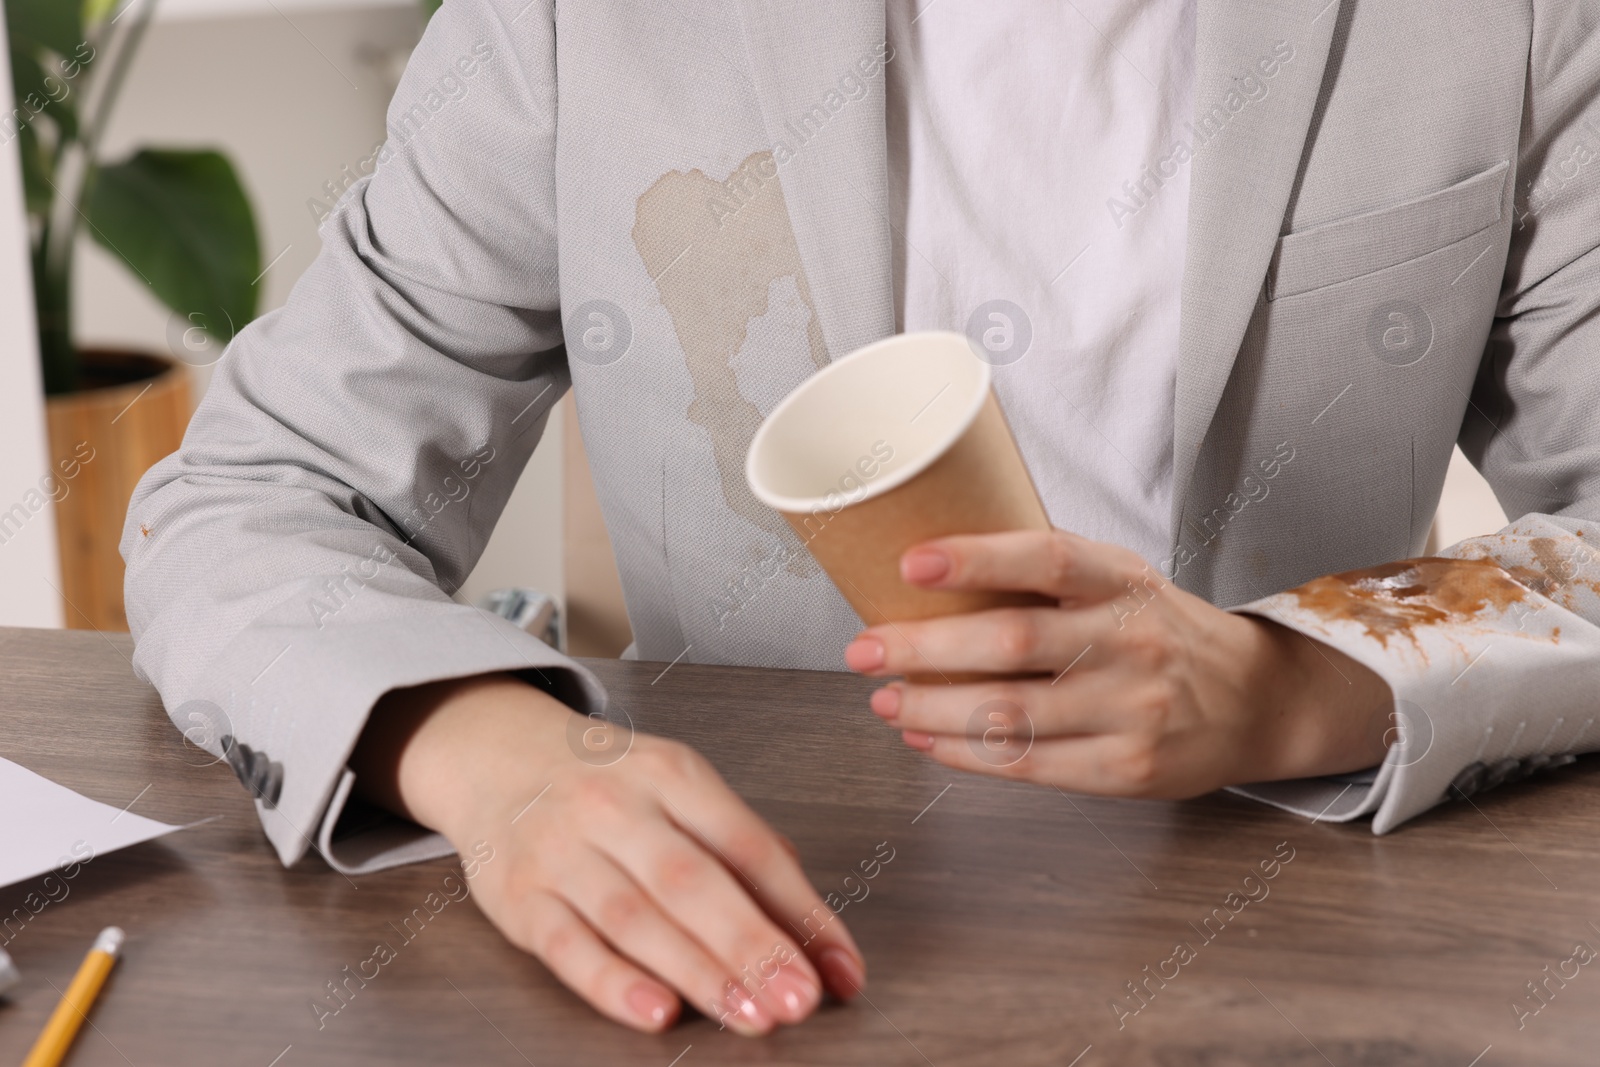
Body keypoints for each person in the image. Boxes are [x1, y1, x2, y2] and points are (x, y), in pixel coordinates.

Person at [123, 0, 1600, 1039]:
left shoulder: (1515, 17)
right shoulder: (577, 20)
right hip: (760, 950)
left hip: (1310, 947)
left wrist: (1296, 685)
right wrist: (490, 753)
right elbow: (257, 490)